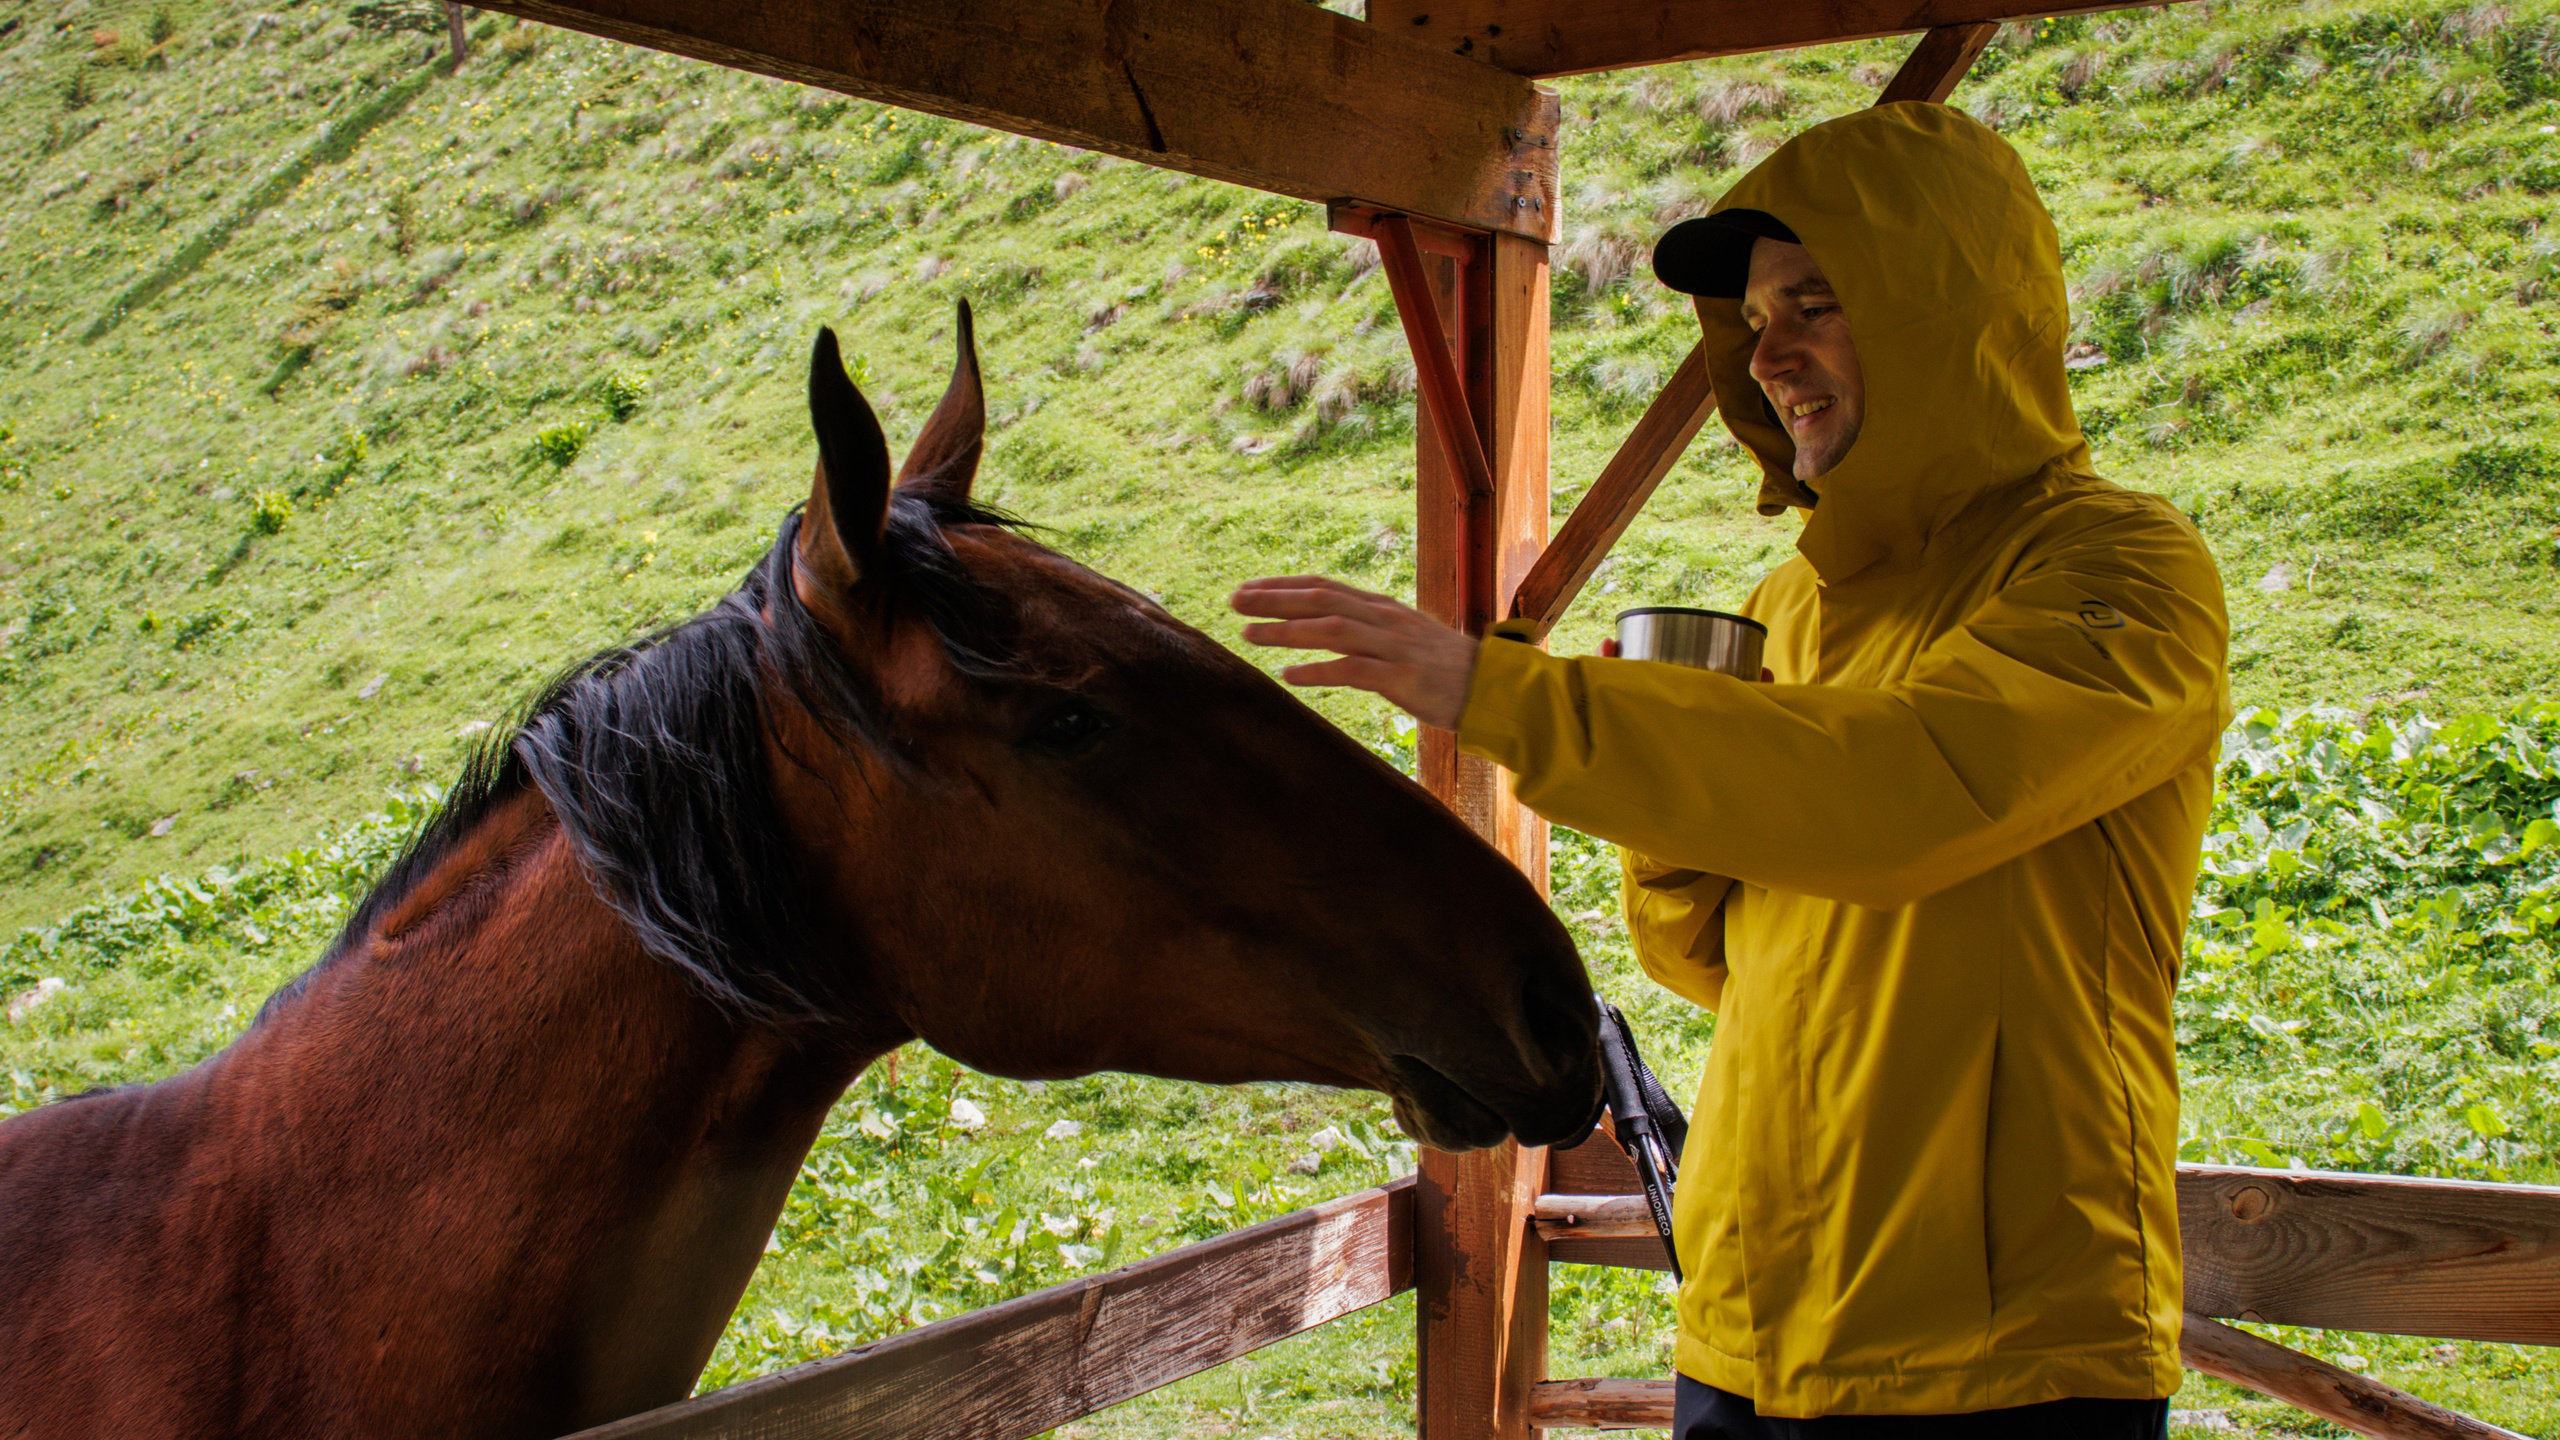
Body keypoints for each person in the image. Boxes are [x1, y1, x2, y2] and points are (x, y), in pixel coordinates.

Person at [1232, 102, 2230, 1438]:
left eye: (1817, 304)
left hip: (2005, 1366)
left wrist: (1514, 699)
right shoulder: (1796, 603)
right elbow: (1725, 959)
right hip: (1750, 1334)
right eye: (1757, 322)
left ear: (1947, 309)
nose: (1772, 357)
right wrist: (1674, 812)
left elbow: (1905, 796)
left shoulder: (2122, 571)